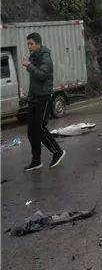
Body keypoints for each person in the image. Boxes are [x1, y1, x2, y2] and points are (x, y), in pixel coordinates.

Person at [21, 32, 65, 171]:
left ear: (38, 44)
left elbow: (42, 75)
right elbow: (34, 80)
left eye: (31, 44)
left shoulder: (45, 56)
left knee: (39, 128)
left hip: (43, 97)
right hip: (34, 98)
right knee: (31, 131)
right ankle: (36, 160)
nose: (29, 46)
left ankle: (57, 152)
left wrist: (29, 65)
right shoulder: (34, 56)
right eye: (28, 44)